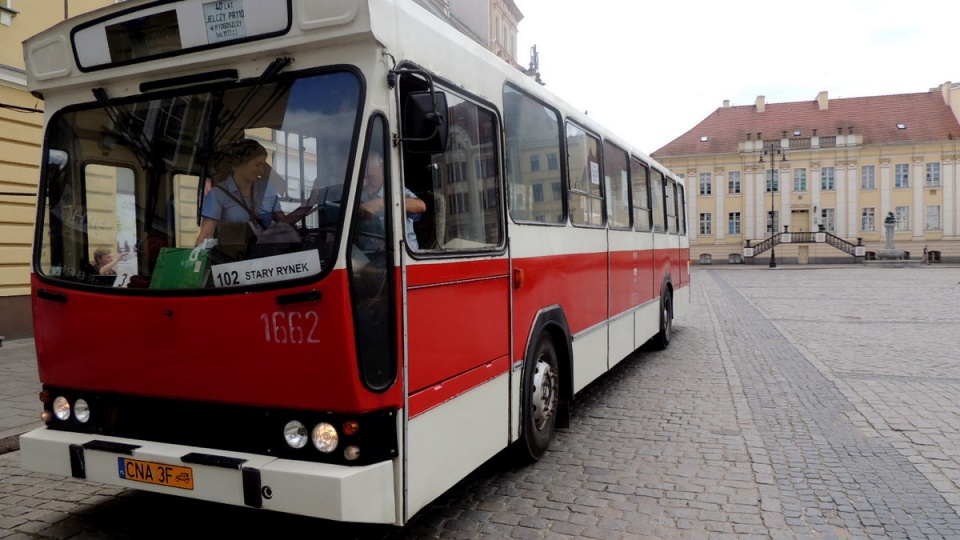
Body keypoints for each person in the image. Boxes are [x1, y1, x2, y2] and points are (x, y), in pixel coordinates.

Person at [195, 140, 316, 246]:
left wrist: (311, 201)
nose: (261, 171)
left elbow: (283, 223)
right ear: (239, 163)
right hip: (235, 258)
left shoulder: (267, 188)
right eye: (257, 165)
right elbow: (205, 237)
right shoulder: (218, 195)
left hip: (269, 257)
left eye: (263, 165)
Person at [358, 152, 426, 249]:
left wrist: (382, 203)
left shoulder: (395, 191)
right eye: (362, 177)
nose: (365, 182)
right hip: (370, 255)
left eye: (370, 177)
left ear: (383, 173)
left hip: (399, 256)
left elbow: (420, 206)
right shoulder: (358, 195)